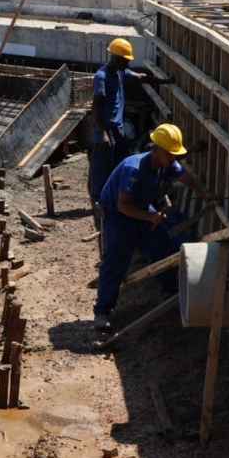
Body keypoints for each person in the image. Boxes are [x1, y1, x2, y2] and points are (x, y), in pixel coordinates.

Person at [94, 124, 205, 331]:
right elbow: (123, 205)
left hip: (142, 208)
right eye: (170, 154)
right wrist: (150, 216)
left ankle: (171, 291)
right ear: (157, 150)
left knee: (163, 246)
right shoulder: (133, 169)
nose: (173, 158)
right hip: (118, 215)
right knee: (115, 259)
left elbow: (184, 176)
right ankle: (103, 311)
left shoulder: (166, 163)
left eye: (174, 154)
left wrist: (204, 193)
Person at [88, 38, 166, 206]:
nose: (128, 63)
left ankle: (112, 197)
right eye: (125, 60)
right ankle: (97, 201)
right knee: (101, 167)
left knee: (118, 163)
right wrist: (103, 133)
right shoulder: (102, 77)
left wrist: (164, 81)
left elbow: (140, 77)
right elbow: (96, 106)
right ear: (116, 58)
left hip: (118, 130)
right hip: (105, 130)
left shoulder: (120, 72)